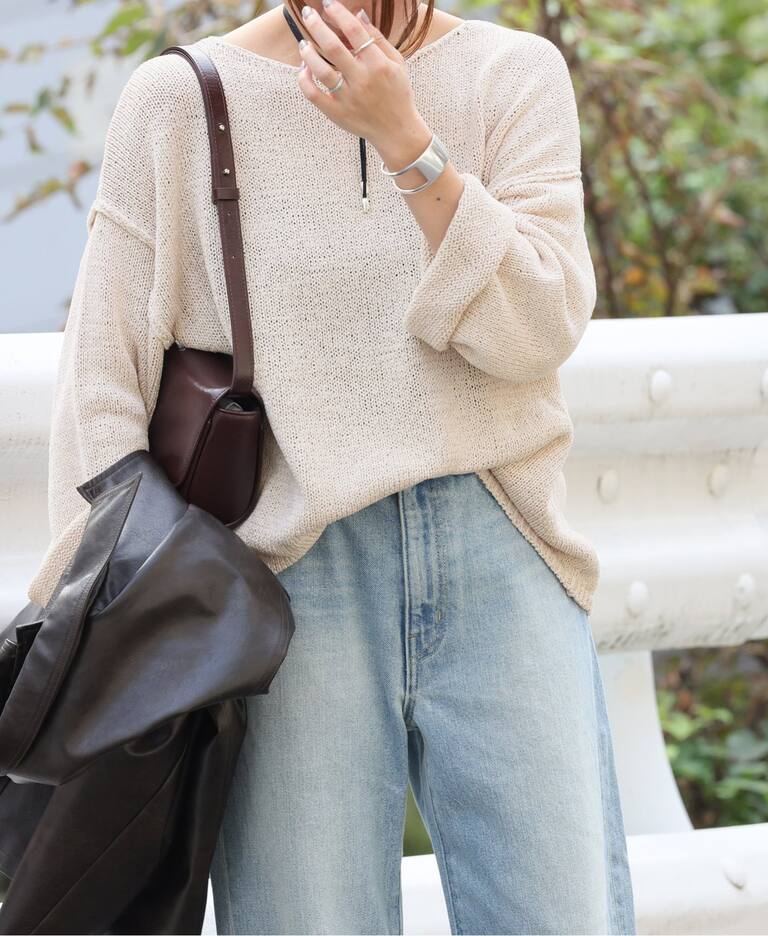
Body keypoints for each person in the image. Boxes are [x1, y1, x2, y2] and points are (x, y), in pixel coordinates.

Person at [26, 0, 637, 932]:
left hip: (501, 555)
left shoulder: (512, 75)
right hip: (290, 588)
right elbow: (102, 393)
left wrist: (408, 143)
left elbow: (540, 328)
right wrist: (120, 631)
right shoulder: (181, 102)